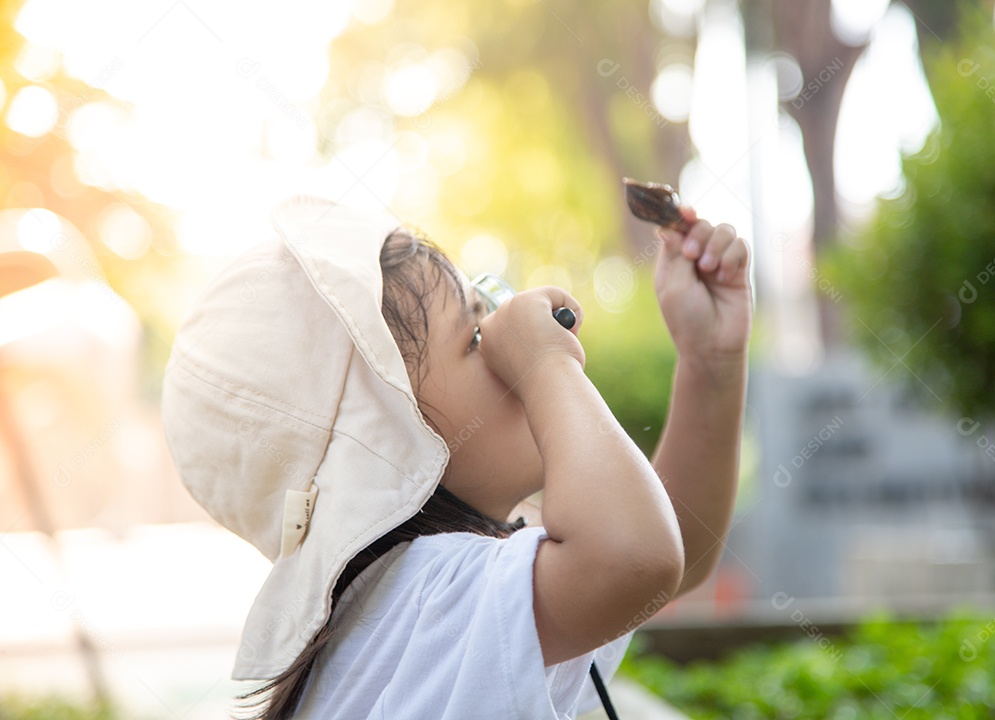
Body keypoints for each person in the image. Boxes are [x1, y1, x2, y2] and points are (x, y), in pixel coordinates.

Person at [160, 194, 752, 720]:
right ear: (387, 448)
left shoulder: (424, 592)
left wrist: (709, 362)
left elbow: (673, 549)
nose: (504, 337)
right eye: (473, 337)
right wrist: (548, 364)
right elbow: (635, 560)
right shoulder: (422, 601)